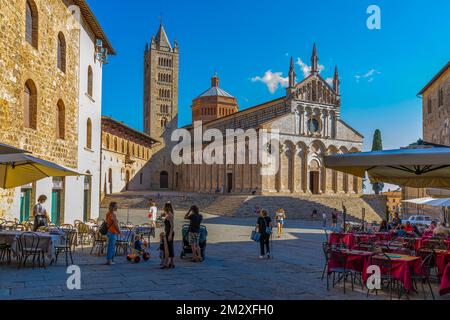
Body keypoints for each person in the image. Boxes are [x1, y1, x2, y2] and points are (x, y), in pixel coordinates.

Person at [161, 203, 175, 269]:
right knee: (170, 247)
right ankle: (171, 263)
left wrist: (169, 235)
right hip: (168, 232)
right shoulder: (168, 214)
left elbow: (172, 226)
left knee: (167, 249)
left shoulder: (169, 215)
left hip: (169, 233)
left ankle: (166, 264)